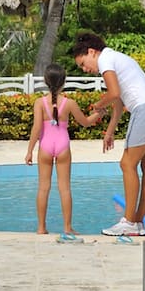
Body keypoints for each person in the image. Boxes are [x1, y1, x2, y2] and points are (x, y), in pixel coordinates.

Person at [71, 31, 145, 236]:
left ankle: (129, 222)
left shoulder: (105, 60)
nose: (85, 69)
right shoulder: (116, 58)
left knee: (127, 164)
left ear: (92, 52)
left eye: (83, 64)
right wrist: (110, 132)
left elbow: (112, 95)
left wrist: (98, 105)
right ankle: (137, 223)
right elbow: (119, 104)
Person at [24, 63, 91, 235]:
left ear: (46, 81)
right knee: (65, 188)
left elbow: (37, 128)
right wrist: (100, 113)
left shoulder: (39, 103)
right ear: (63, 82)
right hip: (63, 146)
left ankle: (41, 227)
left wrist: (30, 150)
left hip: (45, 146)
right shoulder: (69, 103)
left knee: (43, 188)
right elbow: (85, 122)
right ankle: (67, 227)